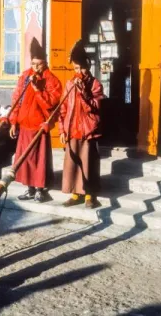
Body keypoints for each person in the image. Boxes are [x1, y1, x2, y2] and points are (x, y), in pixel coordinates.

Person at [7, 38, 62, 202]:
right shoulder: (25, 76)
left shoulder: (51, 80)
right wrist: (13, 121)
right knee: (25, 159)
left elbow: (52, 103)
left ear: (45, 63)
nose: (35, 68)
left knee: (39, 160)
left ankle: (40, 189)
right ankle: (29, 188)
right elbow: (17, 99)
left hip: (39, 126)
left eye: (39, 64)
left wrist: (38, 90)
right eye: (33, 64)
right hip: (24, 124)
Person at [58, 39, 105, 209]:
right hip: (72, 129)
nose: (79, 72)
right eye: (76, 69)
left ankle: (90, 195)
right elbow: (62, 109)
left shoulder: (95, 85)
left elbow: (94, 108)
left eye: (82, 68)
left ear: (88, 66)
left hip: (88, 130)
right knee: (73, 164)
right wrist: (62, 129)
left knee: (88, 163)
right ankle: (75, 193)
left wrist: (84, 93)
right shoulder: (69, 84)